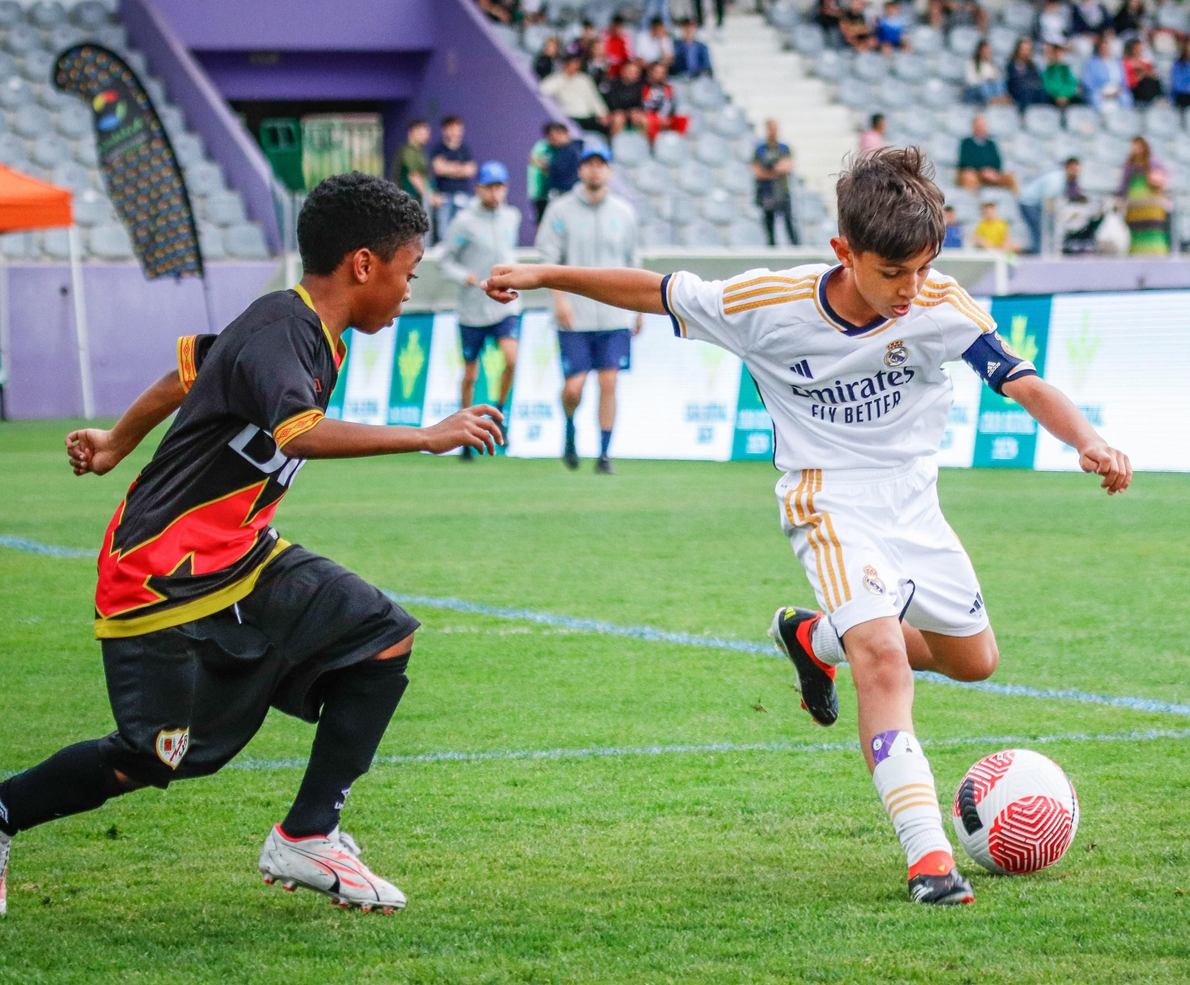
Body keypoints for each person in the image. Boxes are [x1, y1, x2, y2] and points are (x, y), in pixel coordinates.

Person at [479, 147, 1132, 907]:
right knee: (884, 659)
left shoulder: (940, 304)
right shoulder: (765, 303)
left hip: (915, 503)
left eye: (922, 269)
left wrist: (1086, 438)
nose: (909, 290)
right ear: (844, 253)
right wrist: (542, 274)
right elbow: (655, 291)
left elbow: (1020, 379)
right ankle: (929, 861)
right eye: (893, 273)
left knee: (975, 661)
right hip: (827, 499)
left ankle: (813, 638)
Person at [0, 174, 502, 918]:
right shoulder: (285, 326)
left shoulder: (298, 327)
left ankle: (310, 833)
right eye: (409, 270)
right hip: (158, 571)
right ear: (364, 265)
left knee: (382, 638)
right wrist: (426, 435)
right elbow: (297, 431)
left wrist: (118, 443)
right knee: (157, 756)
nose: (411, 288)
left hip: (243, 557)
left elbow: (190, 370)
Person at [534, 145, 641, 475]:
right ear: (580, 170)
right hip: (575, 316)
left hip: (614, 315)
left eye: (601, 164)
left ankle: (605, 454)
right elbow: (548, 260)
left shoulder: (624, 213)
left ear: (609, 171)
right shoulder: (560, 210)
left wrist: (638, 309)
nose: (595, 170)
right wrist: (559, 299)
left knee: (609, 384)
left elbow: (632, 262)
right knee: (573, 388)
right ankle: (569, 430)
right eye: (589, 164)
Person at [440, 162, 523, 457]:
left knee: (511, 358)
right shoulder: (463, 222)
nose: (495, 192)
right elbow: (445, 260)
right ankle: (465, 430)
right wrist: (467, 277)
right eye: (490, 187)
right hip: (473, 309)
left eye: (500, 186)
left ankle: (499, 415)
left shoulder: (512, 217)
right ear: (479, 189)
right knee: (470, 374)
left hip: (505, 305)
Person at [1017, 156, 1084, 254]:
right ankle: (1038, 255)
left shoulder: (1065, 179)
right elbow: (1048, 202)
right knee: (1039, 230)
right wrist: (1056, 217)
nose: (1076, 172)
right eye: (1074, 169)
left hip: (1035, 202)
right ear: (1068, 167)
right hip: (1028, 202)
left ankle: (1040, 252)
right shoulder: (1056, 180)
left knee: (1041, 230)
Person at [1118, 136, 1169, 255]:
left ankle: (1157, 254)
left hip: (1151, 206)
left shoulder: (1153, 162)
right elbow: (1124, 185)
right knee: (1136, 232)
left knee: (1152, 230)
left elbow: (1162, 180)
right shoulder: (1129, 164)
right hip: (1135, 206)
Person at [753, 118, 800, 245]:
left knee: (789, 222)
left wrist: (769, 171)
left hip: (782, 191)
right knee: (769, 223)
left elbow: (787, 166)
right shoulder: (760, 149)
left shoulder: (784, 148)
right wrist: (775, 171)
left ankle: (795, 248)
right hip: (767, 192)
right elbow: (756, 171)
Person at [539, 54, 610, 135]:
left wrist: (602, 113)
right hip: (568, 115)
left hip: (586, 116)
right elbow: (544, 89)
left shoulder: (584, 79)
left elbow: (594, 98)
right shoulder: (557, 78)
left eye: (577, 64)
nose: (575, 67)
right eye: (572, 64)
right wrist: (564, 77)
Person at [430, 115, 476, 237]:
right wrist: (459, 168)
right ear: (445, 129)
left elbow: (470, 170)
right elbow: (439, 169)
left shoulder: (465, 150)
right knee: (444, 231)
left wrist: (448, 167)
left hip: (462, 195)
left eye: (459, 128)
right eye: (452, 128)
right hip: (443, 195)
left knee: (463, 229)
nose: (456, 132)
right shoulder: (438, 149)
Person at [956, 114, 1017, 192]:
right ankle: (970, 201)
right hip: (975, 174)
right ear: (973, 126)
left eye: (983, 125)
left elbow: (997, 162)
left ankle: (1015, 201)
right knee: (969, 176)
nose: (981, 128)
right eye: (979, 125)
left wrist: (992, 171)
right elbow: (965, 161)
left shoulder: (991, 144)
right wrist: (982, 171)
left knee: (1011, 177)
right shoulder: (966, 143)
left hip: (991, 174)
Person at [1082, 30, 1132, 112]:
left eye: (1106, 48)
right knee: (1095, 98)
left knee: (1126, 98)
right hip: (1100, 91)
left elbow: (1124, 81)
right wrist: (1102, 92)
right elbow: (1088, 82)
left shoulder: (1117, 62)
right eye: (1103, 48)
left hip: (1117, 90)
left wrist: (1119, 90)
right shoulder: (1091, 63)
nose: (1105, 50)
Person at [391, 118, 433, 211]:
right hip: (409, 198)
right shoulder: (408, 151)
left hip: (418, 198)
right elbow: (413, 175)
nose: (426, 136)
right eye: (422, 132)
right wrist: (429, 196)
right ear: (412, 131)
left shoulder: (420, 151)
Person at [642, 60, 688, 143]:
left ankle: (679, 144)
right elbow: (645, 105)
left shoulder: (668, 88)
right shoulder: (644, 87)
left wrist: (667, 116)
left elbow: (670, 105)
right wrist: (659, 117)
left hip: (665, 116)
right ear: (650, 73)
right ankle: (654, 145)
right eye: (657, 72)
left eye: (662, 73)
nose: (660, 75)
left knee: (683, 117)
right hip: (651, 115)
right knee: (651, 120)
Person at [602, 59, 649, 136]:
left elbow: (642, 103)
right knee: (619, 119)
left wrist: (636, 111)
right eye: (630, 71)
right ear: (623, 71)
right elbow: (612, 103)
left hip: (633, 114)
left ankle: (644, 145)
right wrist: (627, 113)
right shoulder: (613, 84)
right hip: (616, 113)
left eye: (635, 72)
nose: (633, 74)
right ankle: (613, 143)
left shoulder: (642, 86)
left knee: (644, 119)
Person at [1007, 37, 1047, 109]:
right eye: (1024, 49)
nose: (1027, 52)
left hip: (1033, 93)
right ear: (1018, 50)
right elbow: (1014, 83)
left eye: (1028, 50)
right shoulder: (1012, 66)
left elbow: (1037, 81)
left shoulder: (1032, 67)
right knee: (1026, 92)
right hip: (1019, 95)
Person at [964, 40, 1007, 105]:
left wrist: (991, 78)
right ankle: (992, 101)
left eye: (989, 51)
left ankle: (999, 99)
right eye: (985, 51)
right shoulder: (971, 63)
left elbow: (998, 77)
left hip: (991, 88)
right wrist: (986, 78)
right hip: (977, 90)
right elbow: (970, 81)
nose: (987, 53)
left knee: (1000, 83)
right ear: (979, 51)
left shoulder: (992, 65)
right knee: (984, 86)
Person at [1123, 38, 1162, 105]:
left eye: (1139, 48)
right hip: (1135, 91)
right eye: (1136, 48)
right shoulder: (1125, 63)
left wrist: (1147, 73)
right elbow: (1128, 83)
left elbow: (1155, 77)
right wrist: (1140, 75)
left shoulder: (1145, 63)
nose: (1138, 50)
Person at [1042, 42, 1081, 107]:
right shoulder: (1047, 70)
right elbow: (1047, 85)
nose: (1058, 55)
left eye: (1059, 52)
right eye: (1055, 52)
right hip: (1052, 99)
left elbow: (1071, 84)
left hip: (1067, 98)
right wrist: (1058, 96)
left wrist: (1065, 96)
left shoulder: (1066, 69)